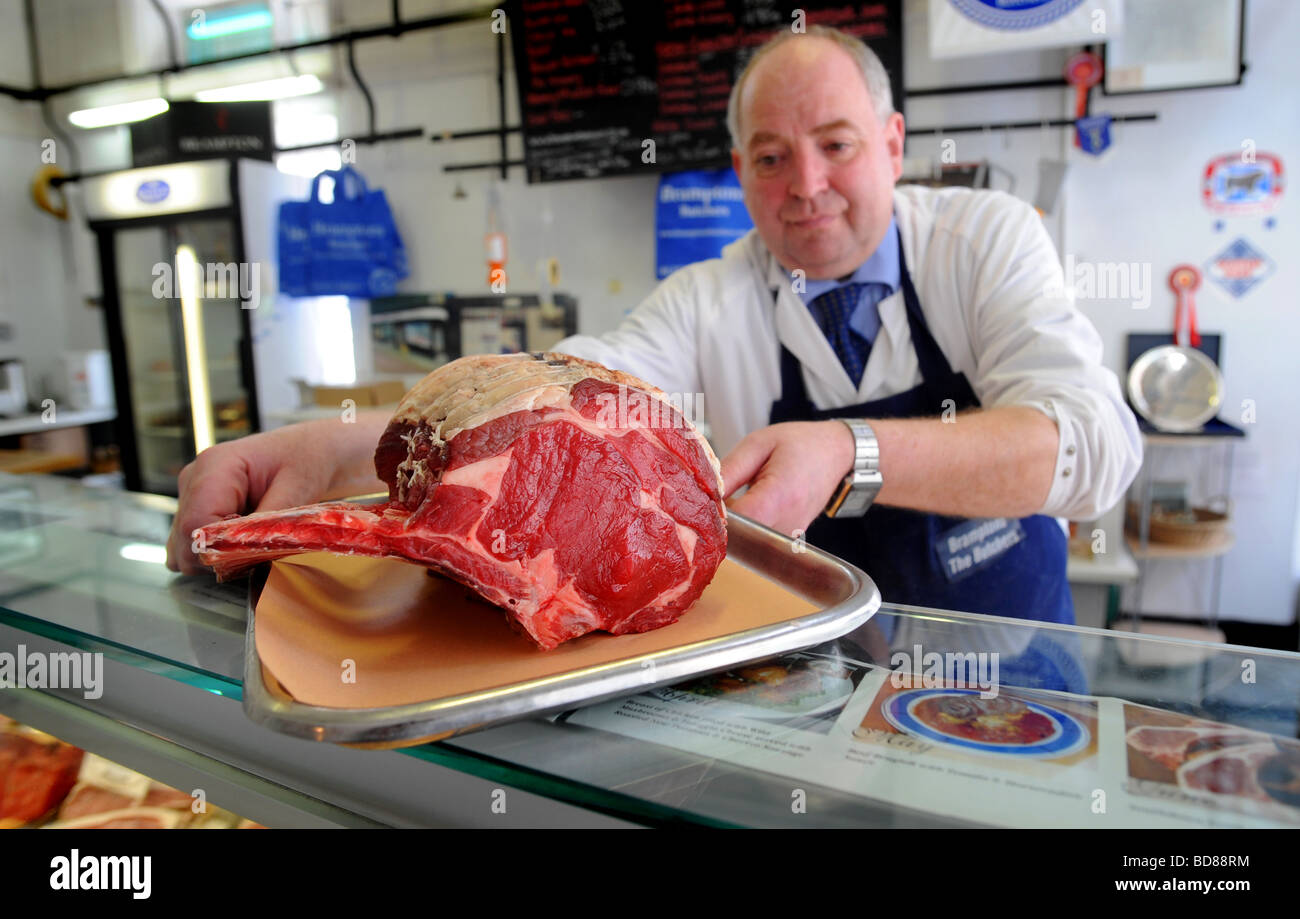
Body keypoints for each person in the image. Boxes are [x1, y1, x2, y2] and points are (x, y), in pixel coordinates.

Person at [168, 25, 1140, 626]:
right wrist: (341, 444)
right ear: (737, 170)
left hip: (1012, 662)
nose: (804, 186)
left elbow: (1097, 448)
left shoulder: (983, 239)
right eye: (768, 158)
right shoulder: (710, 295)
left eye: (836, 147)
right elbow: (562, 392)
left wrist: (851, 453)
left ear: (891, 143)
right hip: (825, 672)